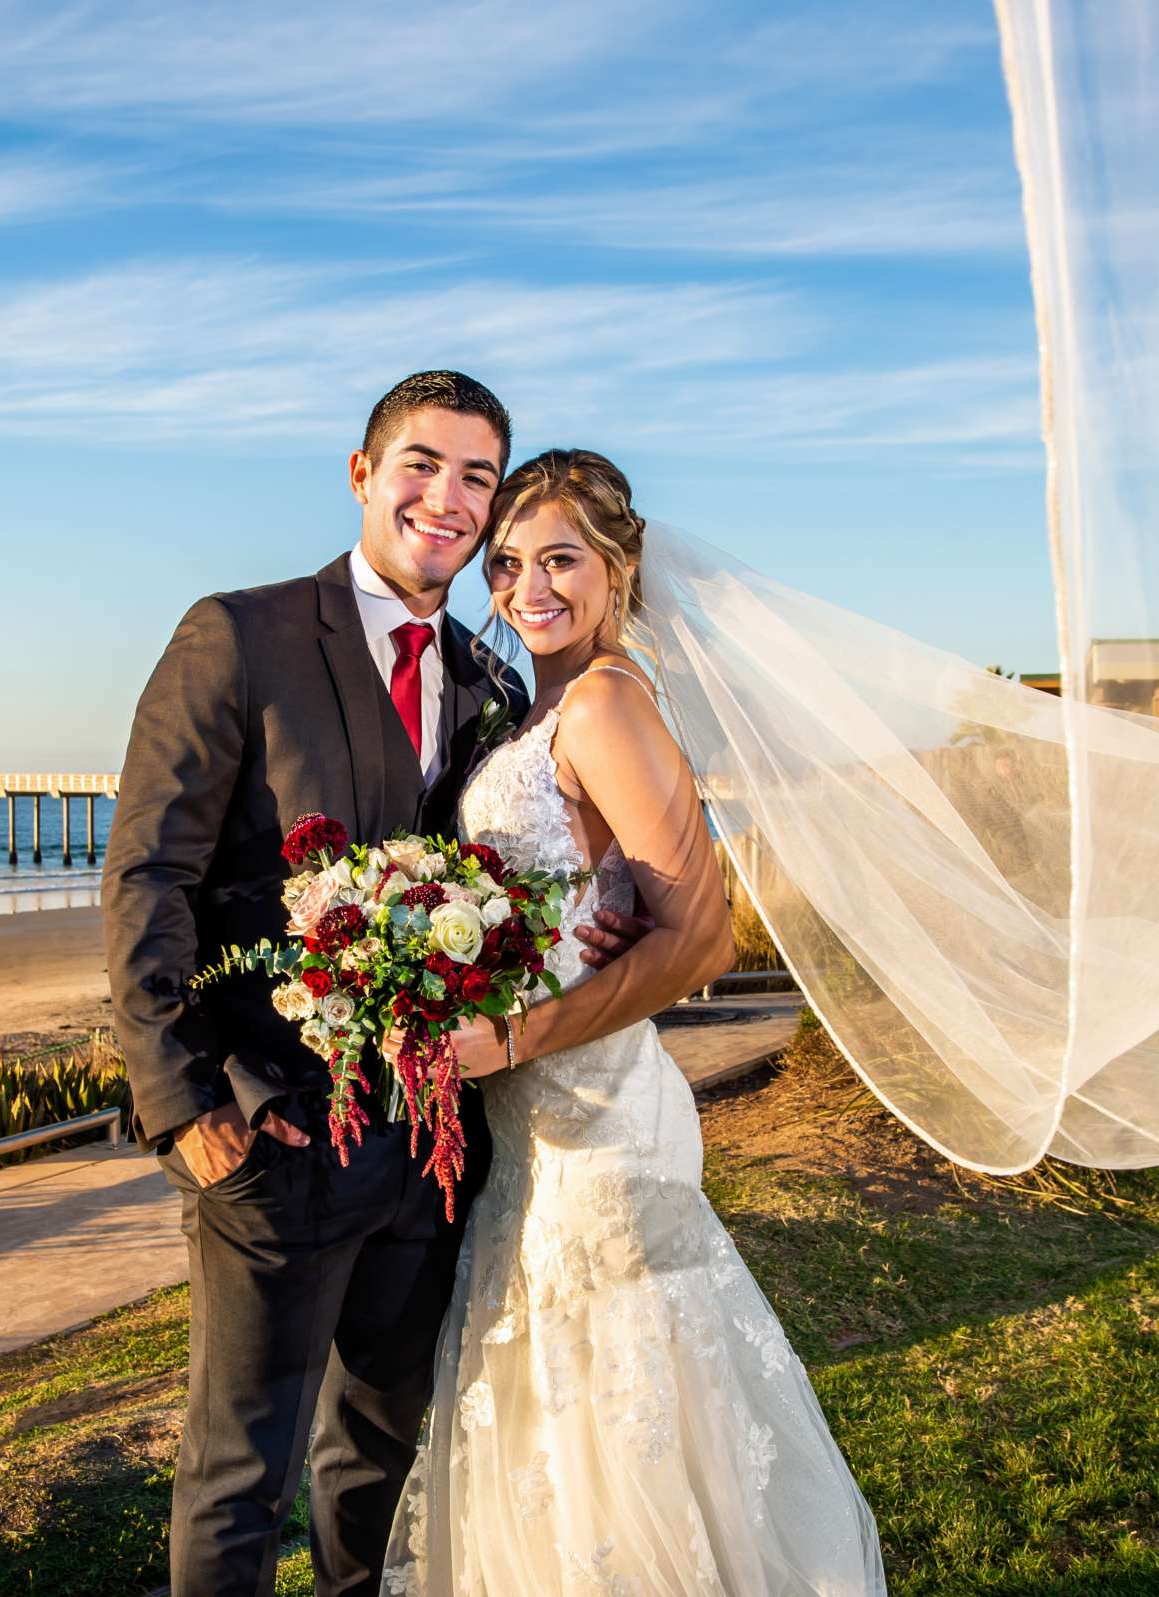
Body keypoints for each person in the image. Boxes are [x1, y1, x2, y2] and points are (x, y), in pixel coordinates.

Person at [104, 373, 647, 1597]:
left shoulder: (491, 678)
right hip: (275, 1135)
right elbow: (149, 873)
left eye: (474, 478)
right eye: (420, 464)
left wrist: (589, 924)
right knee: (241, 1477)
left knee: (377, 1459)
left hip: (440, 1153)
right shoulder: (238, 636)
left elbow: (524, 865)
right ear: (362, 473)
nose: (445, 499)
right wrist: (187, 1106)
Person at [381, 449, 889, 1592]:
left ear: (618, 570)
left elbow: (701, 937)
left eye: (560, 559)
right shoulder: (540, 708)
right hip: (535, 1134)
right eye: (506, 565)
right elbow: (574, 885)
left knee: (616, 1413)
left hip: (600, 1122)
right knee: (551, 1411)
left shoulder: (607, 699)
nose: (527, 588)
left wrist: (506, 1037)